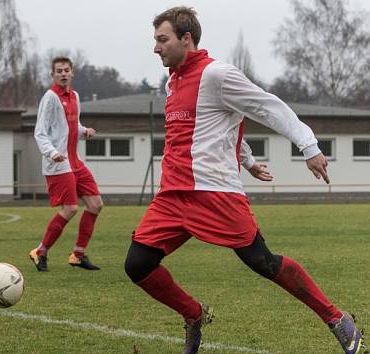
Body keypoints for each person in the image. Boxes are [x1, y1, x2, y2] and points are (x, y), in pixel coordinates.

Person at [123, 7, 365, 354]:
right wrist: (249, 161)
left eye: (162, 39)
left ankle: (337, 319)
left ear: (186, 38)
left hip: (215, 194)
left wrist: (308, 145)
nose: (156, 48)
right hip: (173, 195)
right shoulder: (172, 82)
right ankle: (194, 314)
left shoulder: (217, 74)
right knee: (137, 264)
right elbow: (219, 126)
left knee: (263, 262)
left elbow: (266, 106)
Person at [30, 56, 103, 272]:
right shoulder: (50, 98)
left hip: (75, 162)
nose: (63, 74)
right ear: (52, 75)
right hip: (59, 164)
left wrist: (84, 131)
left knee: (96, 204)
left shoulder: (75, 96)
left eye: (66, 70)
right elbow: (40, 133)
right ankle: (40, 251)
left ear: (72, 73)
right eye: (59, 71)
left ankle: (78, 255)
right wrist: (52, 153)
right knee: (71, 208)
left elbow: (72, 126)